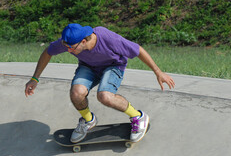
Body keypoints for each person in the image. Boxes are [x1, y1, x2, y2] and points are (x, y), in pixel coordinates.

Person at [25, 23, 175, 143]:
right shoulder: (69, 42)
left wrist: (158, 72)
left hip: (113, 66)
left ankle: (138, 117)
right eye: (66, 47)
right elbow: (48, 52)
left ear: (84, 41)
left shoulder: (107, 38)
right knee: (76, 94)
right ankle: (89, 120)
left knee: (105, 96)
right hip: (88, 67)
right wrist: (35, 78)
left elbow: (137, 50)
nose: (69, 51)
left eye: (72, 48)